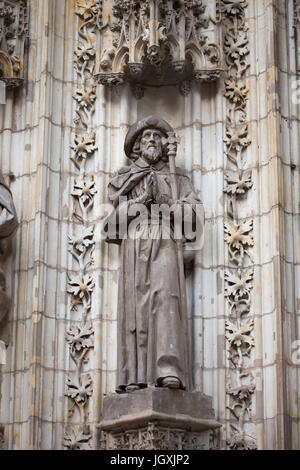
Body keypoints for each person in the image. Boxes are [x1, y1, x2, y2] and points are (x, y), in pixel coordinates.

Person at [105, 116, 204, 393]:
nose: (151, 140)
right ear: (137, 145)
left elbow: (194, 217)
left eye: (157, 137)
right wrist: (140, 201)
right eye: (146, 136)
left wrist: (169, 205)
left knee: (166, 298)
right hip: (134, 243)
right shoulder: (123, 179)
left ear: (164, 145)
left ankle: (169, 369)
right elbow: (111, 226)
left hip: (165, 241)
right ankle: (133, 376)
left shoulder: (177, 177)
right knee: (136, 308)